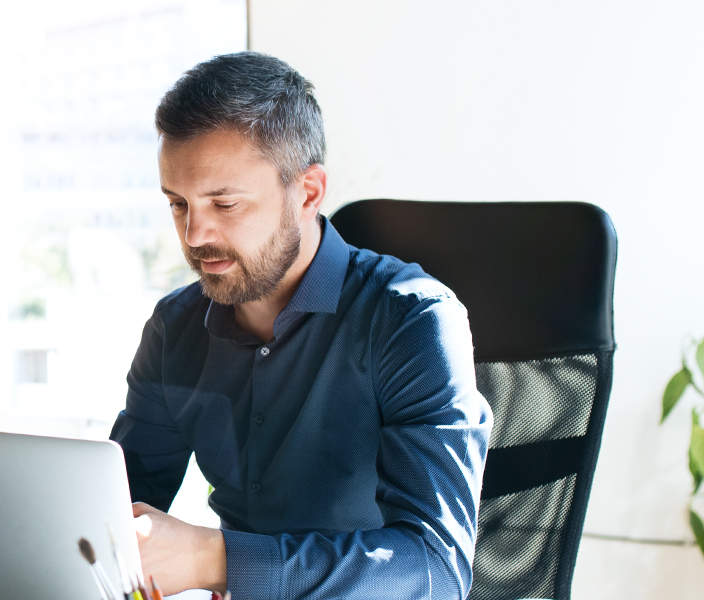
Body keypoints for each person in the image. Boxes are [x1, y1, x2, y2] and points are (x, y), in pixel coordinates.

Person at [111, 52, 492, 599]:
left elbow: (435, 569)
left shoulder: (412, 321)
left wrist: (214, 559)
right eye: (178, 204)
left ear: (308, 192)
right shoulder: (175, 328)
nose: (195, 235)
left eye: (225, 203)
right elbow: (115, 510)